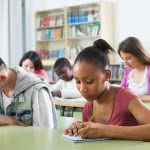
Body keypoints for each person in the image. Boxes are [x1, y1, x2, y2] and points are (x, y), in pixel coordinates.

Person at [64, 39, 150, 141]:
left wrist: (105, 131)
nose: (82, 89)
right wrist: (79, 129)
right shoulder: (88, 108)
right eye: (78, 82)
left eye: (89, 81)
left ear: (107, 75)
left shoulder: (126, 98)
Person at [0, 57, 57, 128]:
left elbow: (45, 134)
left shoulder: (37, 90)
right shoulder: (2, 85)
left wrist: (12, 122)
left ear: (2, 78)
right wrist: (9, 120)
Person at [118, 37, 150, 101]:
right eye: (123, 59)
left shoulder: (148, 70)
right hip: (133, 109)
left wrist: (136, 98)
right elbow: (121, 91)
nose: (125, 63)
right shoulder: (128, 70)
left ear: (139, 54)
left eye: (128, 58)